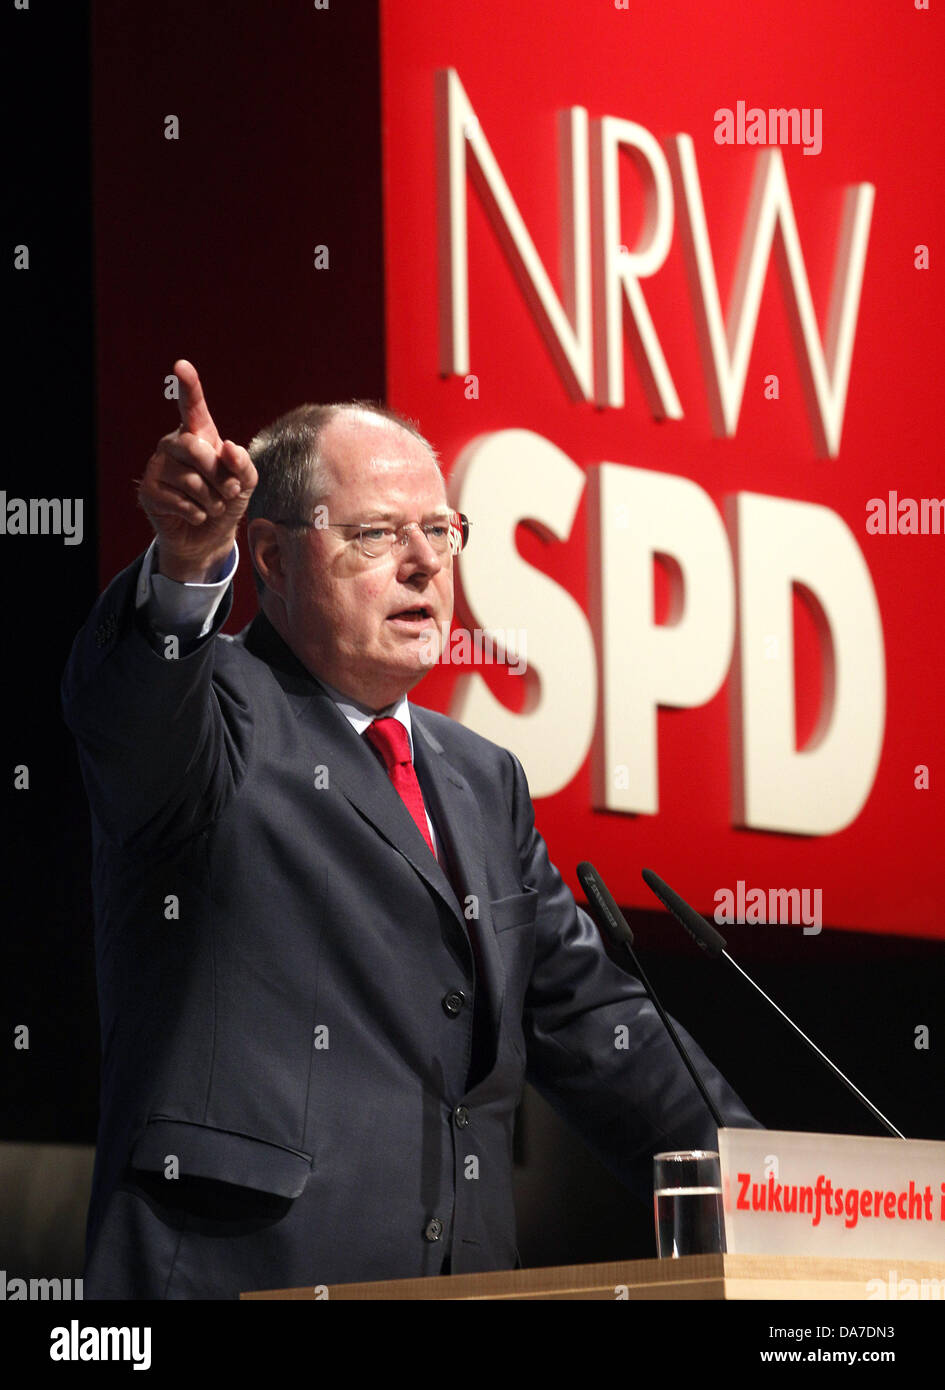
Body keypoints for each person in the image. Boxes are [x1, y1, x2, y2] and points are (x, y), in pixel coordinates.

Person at [62, 360, 759, 1299]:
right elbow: (132, 711)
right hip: (240, 1275)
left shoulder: (481, 778)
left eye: (439, 531)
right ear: (268, 556)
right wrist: (186, 569)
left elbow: (601, 1025)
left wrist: (771, 1191)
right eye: (378, 534)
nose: (426, 563)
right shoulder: (212, 711)